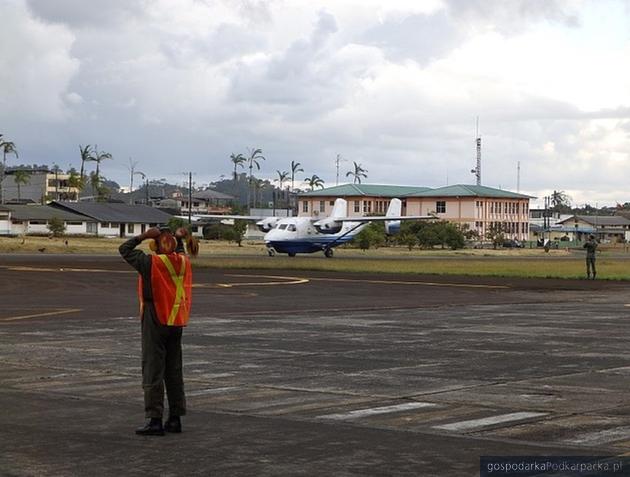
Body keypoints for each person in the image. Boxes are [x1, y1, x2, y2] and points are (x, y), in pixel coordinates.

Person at [119, 226, 195, 436]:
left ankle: (154, 419)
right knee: (173, 370)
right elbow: (178, 250)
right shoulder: (182, 261)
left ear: (156, 245)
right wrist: (177, 238)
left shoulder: (151, 263)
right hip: (176, 318)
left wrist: (143, 236)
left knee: (153, 368)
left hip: (156, 315)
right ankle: (175, 418)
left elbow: (124, 249)